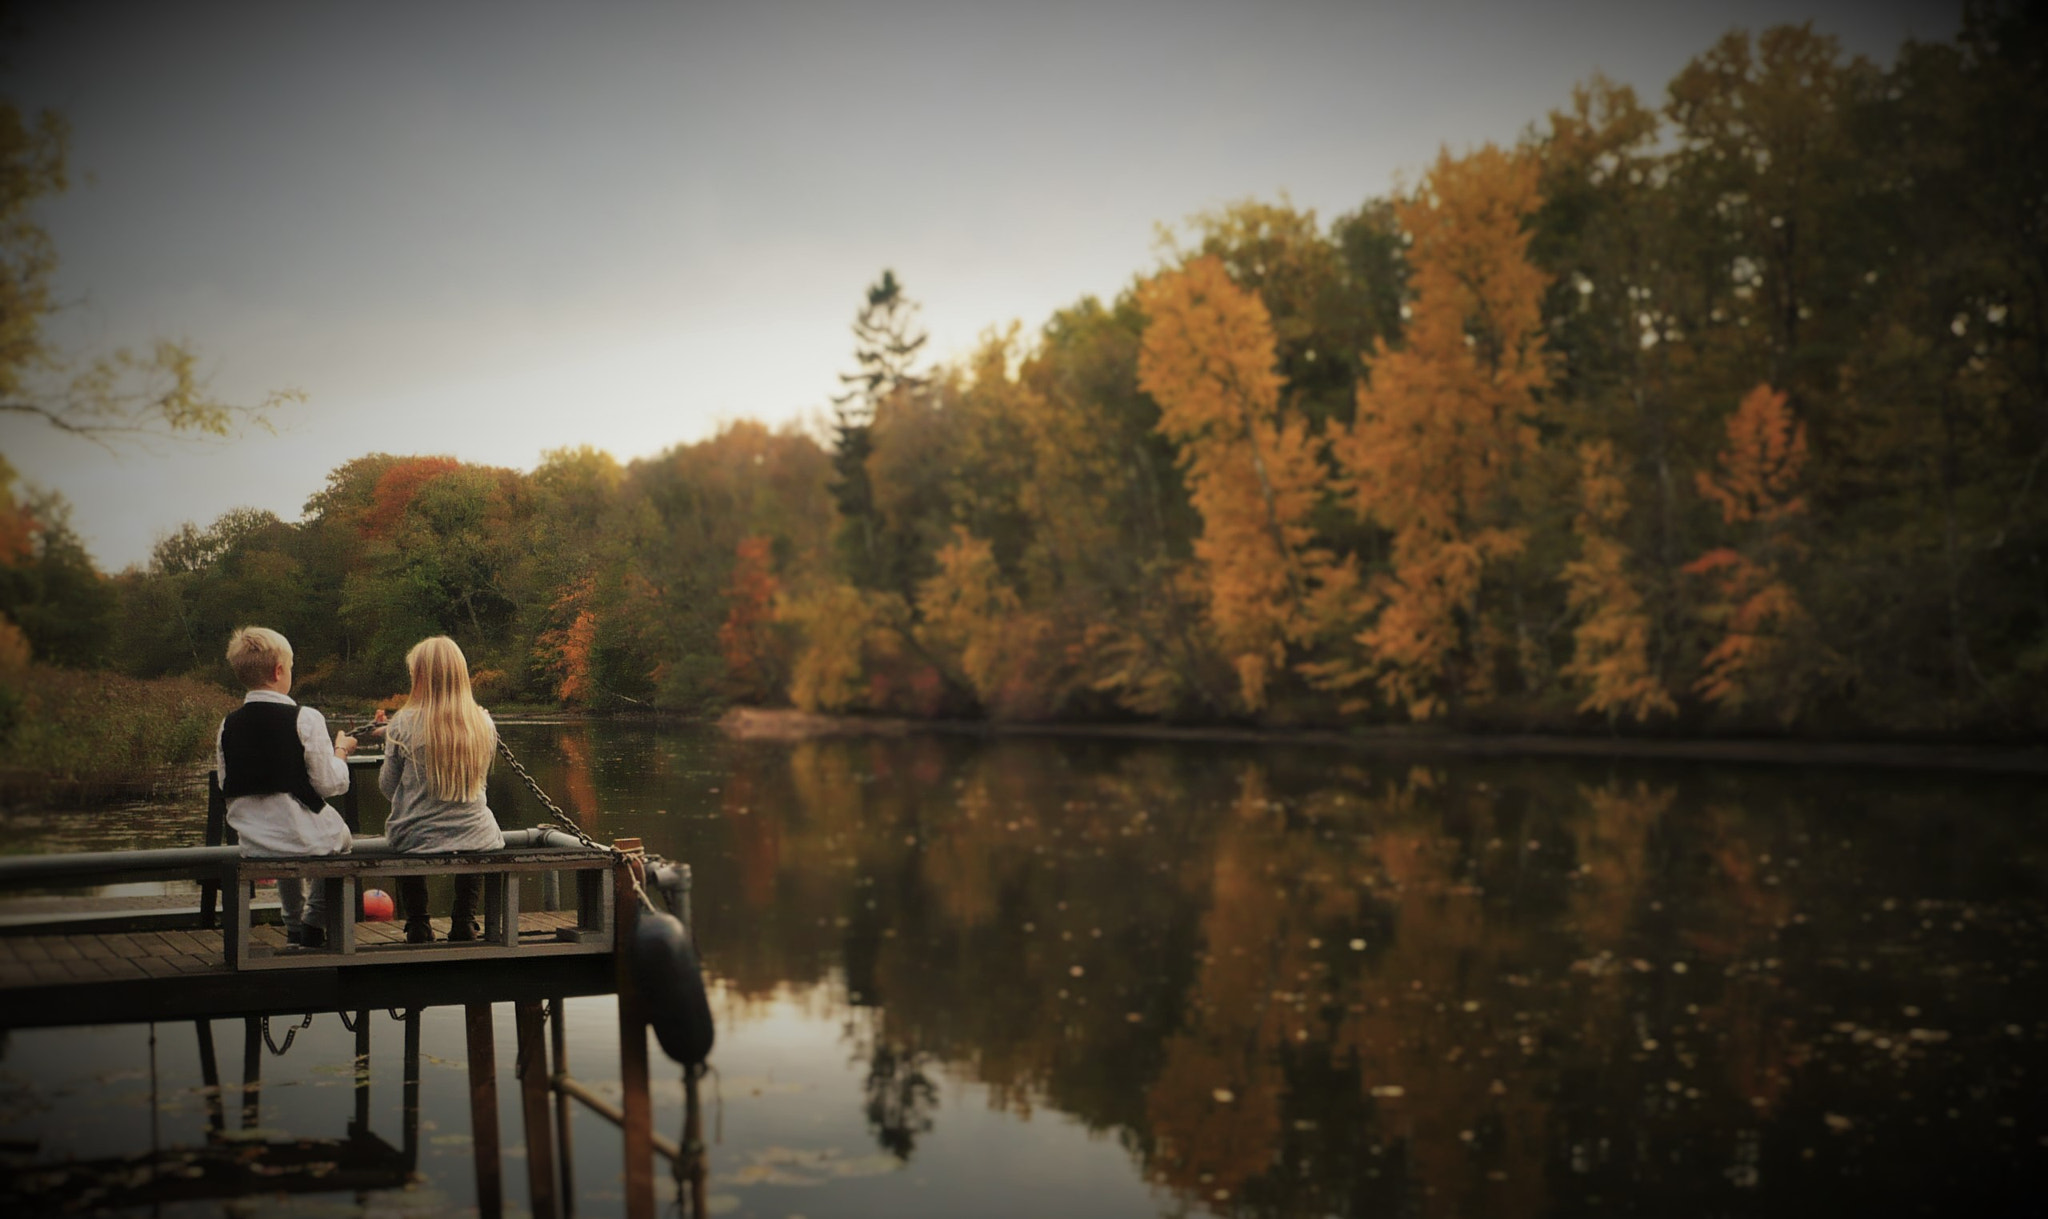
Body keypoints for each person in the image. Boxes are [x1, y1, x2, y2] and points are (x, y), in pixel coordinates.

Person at [217, 626, 355, 947]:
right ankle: (312, 922)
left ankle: (292, 923)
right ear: (280, 671)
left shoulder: (228, 724)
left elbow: (226, 782)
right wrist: (342, 751)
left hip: (253, 841)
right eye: (291, 668)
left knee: (282, 831)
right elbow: (330, 783)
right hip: (301, 837)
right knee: (339, 840)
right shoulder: (305, 718)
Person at [377, 635, 506, 943]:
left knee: (407, 832)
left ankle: (419, 923)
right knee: (474, 838)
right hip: (477, 835)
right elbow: (479, 783)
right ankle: (464, 920)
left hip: (414, 835)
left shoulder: (402, 724)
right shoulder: (483, 723)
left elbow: (387, 787)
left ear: (419, 676)